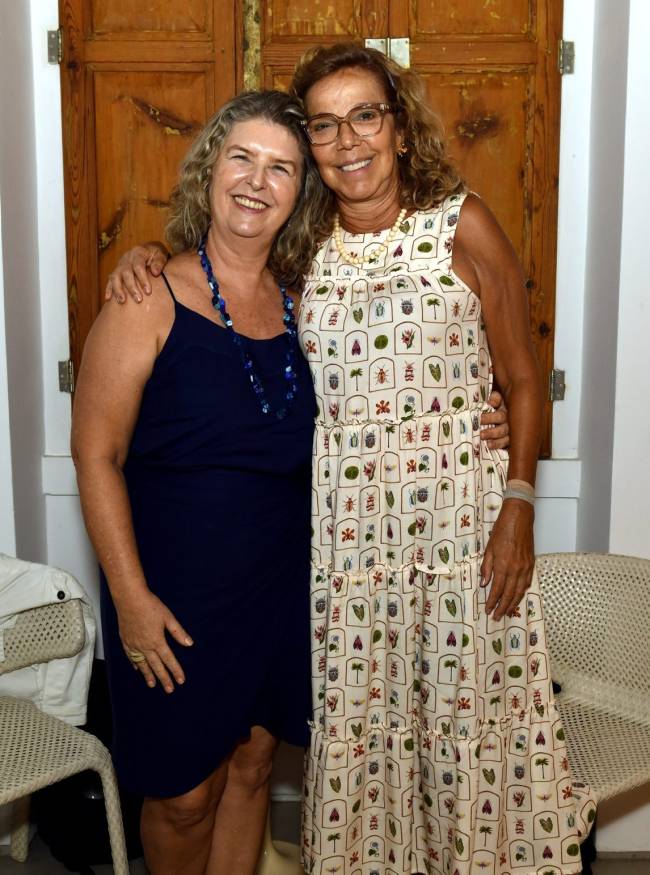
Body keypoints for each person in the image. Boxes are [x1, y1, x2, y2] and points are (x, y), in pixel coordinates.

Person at [104, 44, 593, 875]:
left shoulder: (461, 222)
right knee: (368, 746)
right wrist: (143, 254)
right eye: (323, 125)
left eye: (364, 115)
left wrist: (518, 503)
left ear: (398, 127)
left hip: (458, 542)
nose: (347, 140)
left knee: (461, 742)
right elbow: (226, 275)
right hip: (347, 559)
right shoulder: (308, 253)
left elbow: (522, 376)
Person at [71, 90, 327, 875]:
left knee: (252, 766)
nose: (257, 181)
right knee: (183, 795)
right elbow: (96, 456)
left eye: (281, 167)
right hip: (172, 602)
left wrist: (484, 415)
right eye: (242, 157)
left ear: (300, 192)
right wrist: (132, 601)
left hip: (280, 591)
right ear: (210, 167)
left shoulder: (303, 307)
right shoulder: (145, 296)